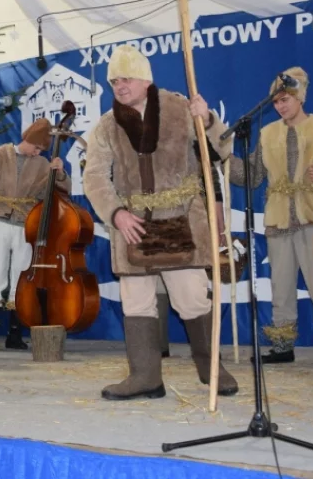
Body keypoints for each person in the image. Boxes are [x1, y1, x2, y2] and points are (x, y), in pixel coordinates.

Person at [82, 45, 238, 400]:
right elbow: (94, 176)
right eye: (114, 81)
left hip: (180, 218)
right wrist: (116, 213)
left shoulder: (181, 108)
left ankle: (212, 367)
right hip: (132, 224)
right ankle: (145, 377)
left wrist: (209, 120)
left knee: (192, 299)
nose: (119, 86)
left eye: (127, 78)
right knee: (136, 302)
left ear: (146, 80)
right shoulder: (107, 126)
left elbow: (223, 151)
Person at [228, 67, 313, 368]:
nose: (281, 106)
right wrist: (222, 158)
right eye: (276, 102)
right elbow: (252, 175)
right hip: (279, 219)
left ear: (300, 98)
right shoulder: (268, 133)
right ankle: (283, 344)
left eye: (286, 99)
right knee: (281, 285)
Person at [0, 118, 70, 349]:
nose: (38, 152)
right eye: (36, 147)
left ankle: (15, 334)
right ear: (28, 139)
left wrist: (60, 173)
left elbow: (62, 192)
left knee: (22, 277)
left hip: (26, 223)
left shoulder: (44, 164)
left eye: (42, 150)